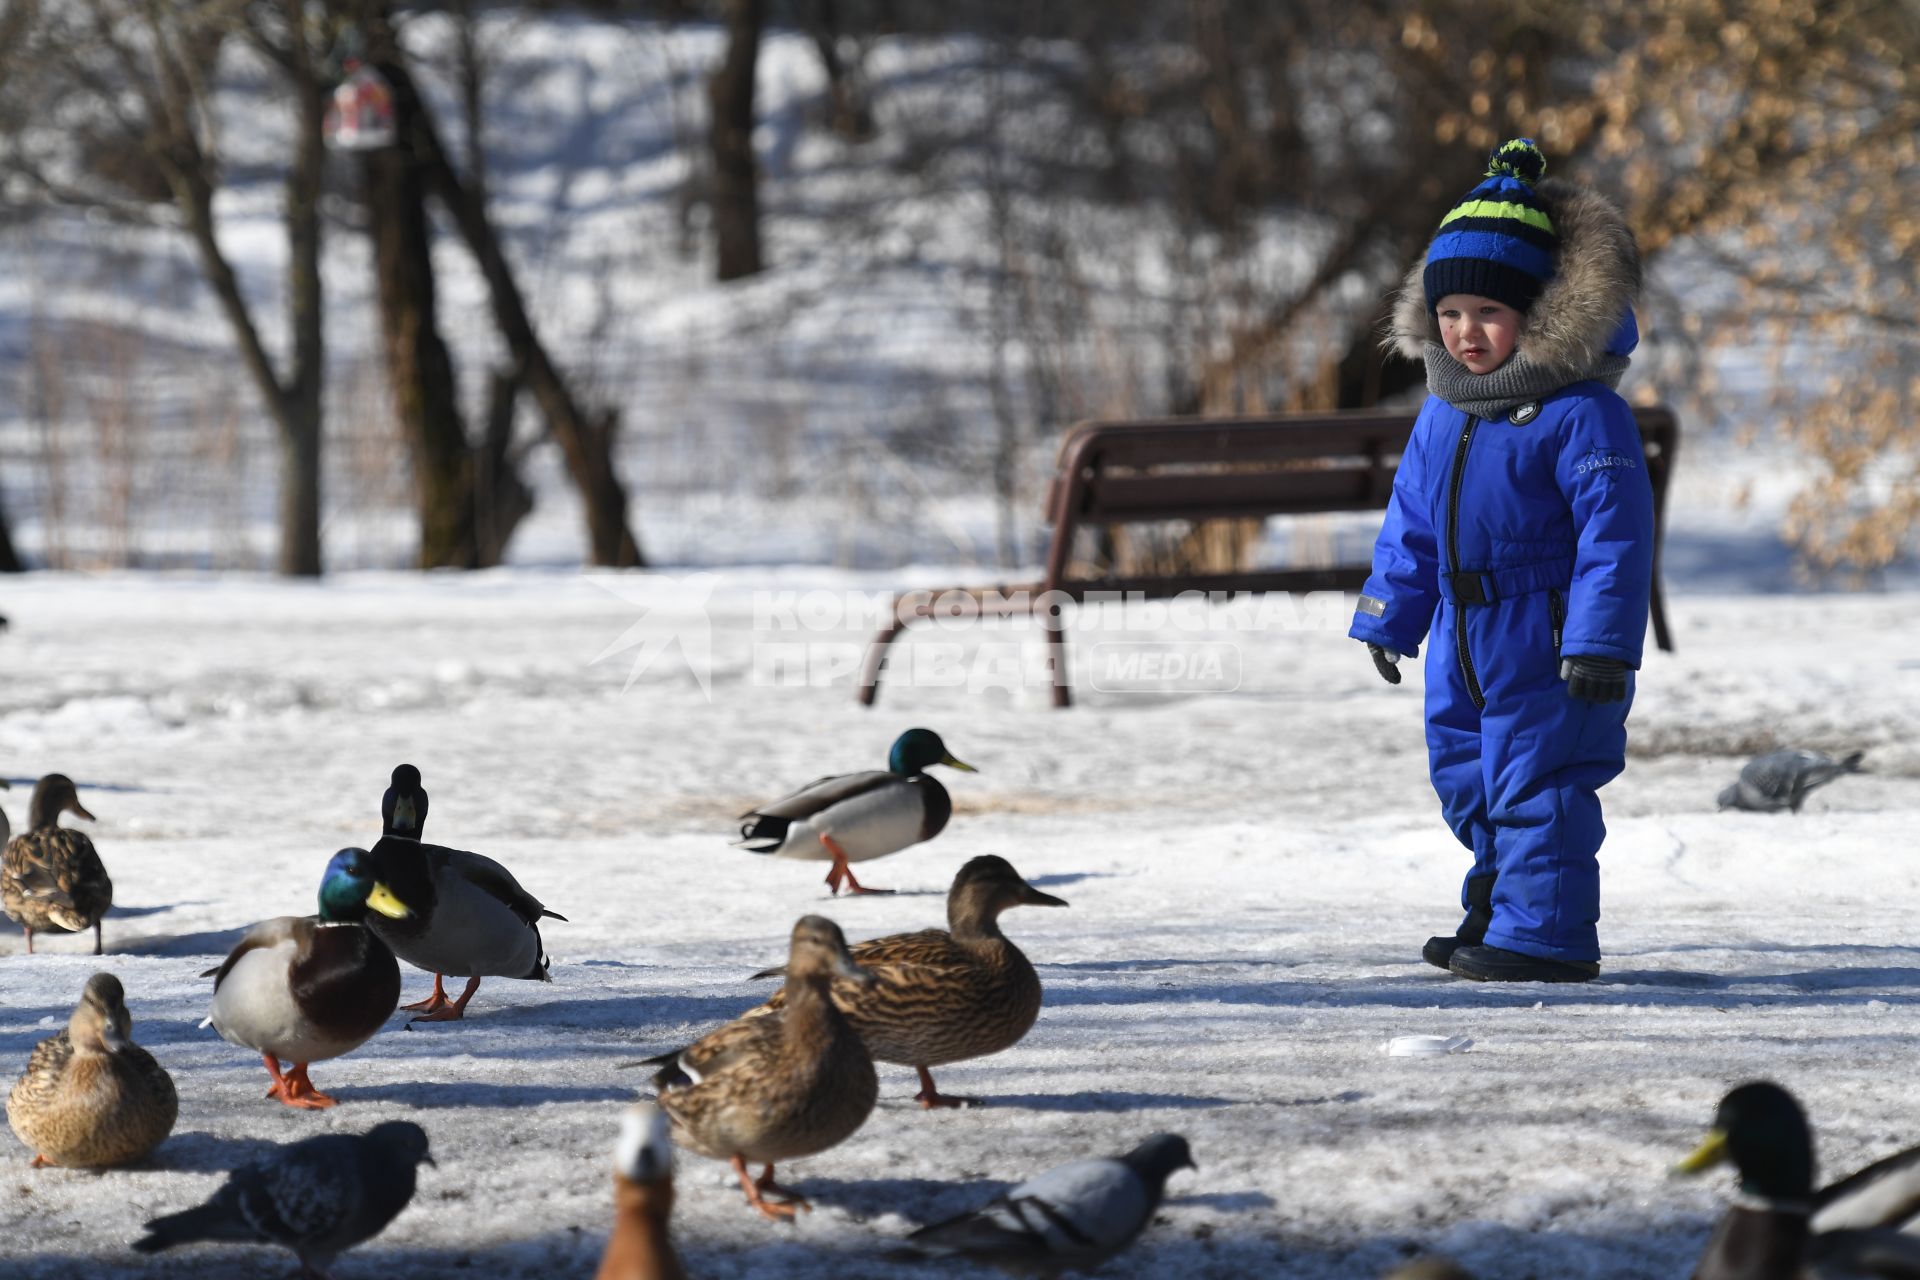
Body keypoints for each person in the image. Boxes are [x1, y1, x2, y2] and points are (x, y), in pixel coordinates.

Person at [1348, 138, 1654, 983]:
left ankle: (1547, 934)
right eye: (1450, 315)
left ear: (1538, 314)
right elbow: (1413, 520)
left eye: (1488, 313)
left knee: (1539, 781)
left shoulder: (1582, 414)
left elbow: (1614, 537)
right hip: (1459, 629)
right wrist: (1390, 613)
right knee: (1468, 780)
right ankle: (1497, 909)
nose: (1465, 332)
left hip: (1544, 632)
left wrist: (1598, 642)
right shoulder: (1445, 409)